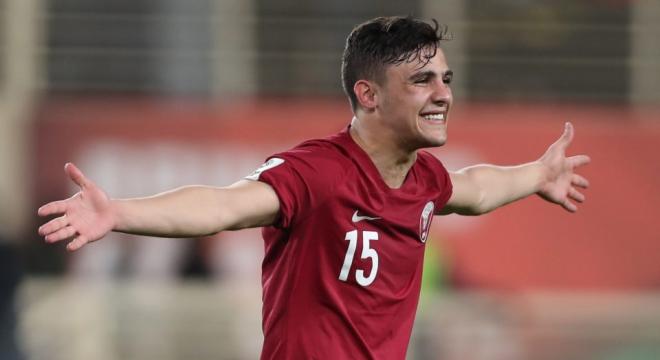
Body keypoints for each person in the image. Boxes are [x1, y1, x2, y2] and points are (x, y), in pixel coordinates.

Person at [38, 16, 590, 359]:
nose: (442, 93)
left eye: (446, 79)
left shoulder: (423, 179)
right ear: (368, 95)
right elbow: (224, 204)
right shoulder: (318, 171)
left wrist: (538, 176)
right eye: (421, 80)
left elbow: (477, 189)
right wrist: (120, 214)